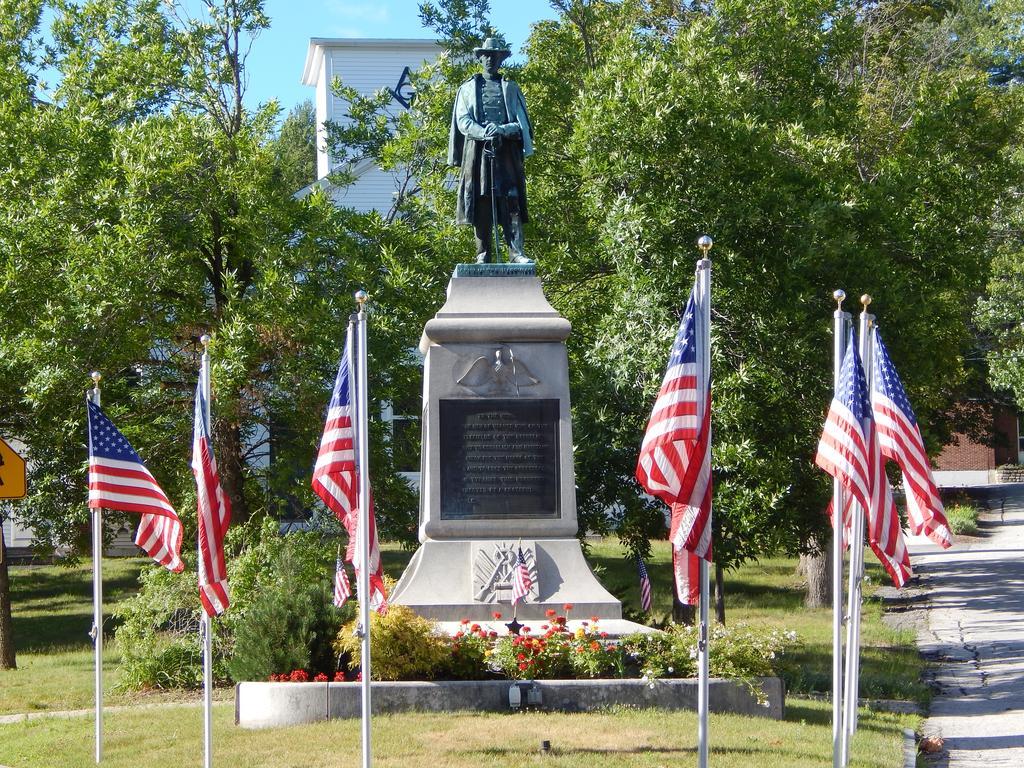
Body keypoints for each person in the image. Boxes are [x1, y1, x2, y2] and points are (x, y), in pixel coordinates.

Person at [447, 35, 534, 264]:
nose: (490, 60)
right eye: (486, 56)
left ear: (500, 59)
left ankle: (516, 252)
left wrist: (502, 129)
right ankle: (482, 253)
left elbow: (521, 124)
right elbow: (463, 121)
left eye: (494, 57)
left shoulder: (511, 89)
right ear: (480, 58)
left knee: (511, 200)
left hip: (506, 154)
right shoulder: (466, 89)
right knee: (482, 201)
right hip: (478, 154)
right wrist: (484, 132)